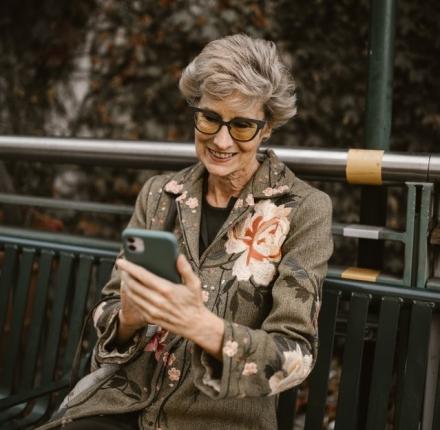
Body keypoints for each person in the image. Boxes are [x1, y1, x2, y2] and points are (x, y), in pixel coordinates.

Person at [39, 33, 333, 430]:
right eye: (210, 118)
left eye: (242, 125)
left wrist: (201, 326)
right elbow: (108, 309)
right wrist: (128, 317)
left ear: (268, 128)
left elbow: (295, 355)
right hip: (119, 408)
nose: (221, 140)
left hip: (216, 420)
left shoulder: (304, 210)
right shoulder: (160, 194)